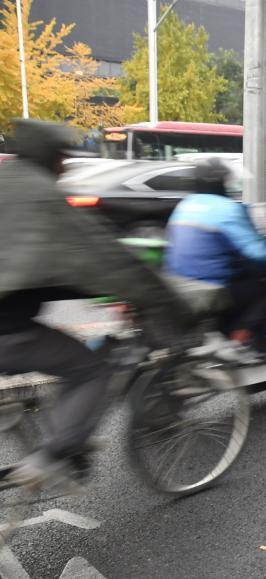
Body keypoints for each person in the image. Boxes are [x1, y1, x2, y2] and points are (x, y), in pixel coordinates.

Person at [0, 119, 193, 487]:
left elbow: (31, 264)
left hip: (11, 313)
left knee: (63, 356)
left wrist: (91, 290)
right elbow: (106, 260)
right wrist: (171, 304)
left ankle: (63, 435)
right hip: (6, 329)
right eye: (64, 159)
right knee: (92, 371)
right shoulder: (41, 194)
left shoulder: (8, 181)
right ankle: (53, 459)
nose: (67, 167)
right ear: (52, 156)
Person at [164, 159, 266, 346]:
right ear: (219, 183)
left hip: (176, 283)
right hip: (208, 287)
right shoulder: (227, 208)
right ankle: (238, 344)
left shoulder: (185, 204)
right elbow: (259, 254)